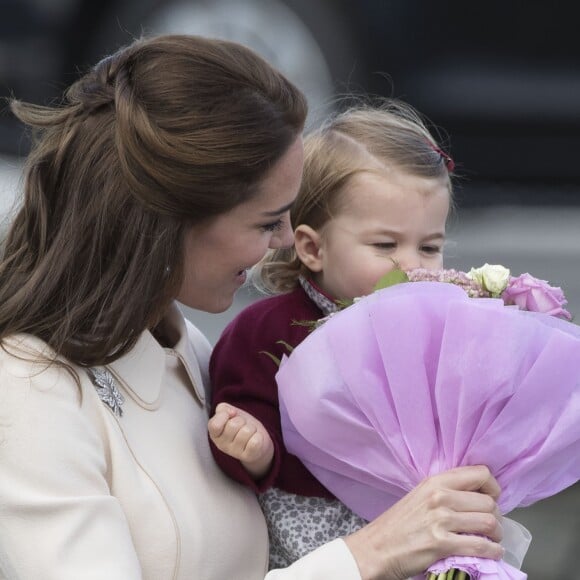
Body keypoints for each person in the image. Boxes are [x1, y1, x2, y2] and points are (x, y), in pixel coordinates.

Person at [0, 33, 504, 580]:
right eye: (267, 221)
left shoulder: (184, 346)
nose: (288, 240)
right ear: (166, 220)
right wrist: (370, 555)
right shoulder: (29, 390)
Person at [208, 101, 460, 568]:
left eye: (430, 246)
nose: (411, 264)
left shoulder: (443, 327)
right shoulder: (267, 329)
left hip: (419, 523)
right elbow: (242, 413)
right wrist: (256, 448)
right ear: (312, 247)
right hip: (314, 538)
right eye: (385, 245)